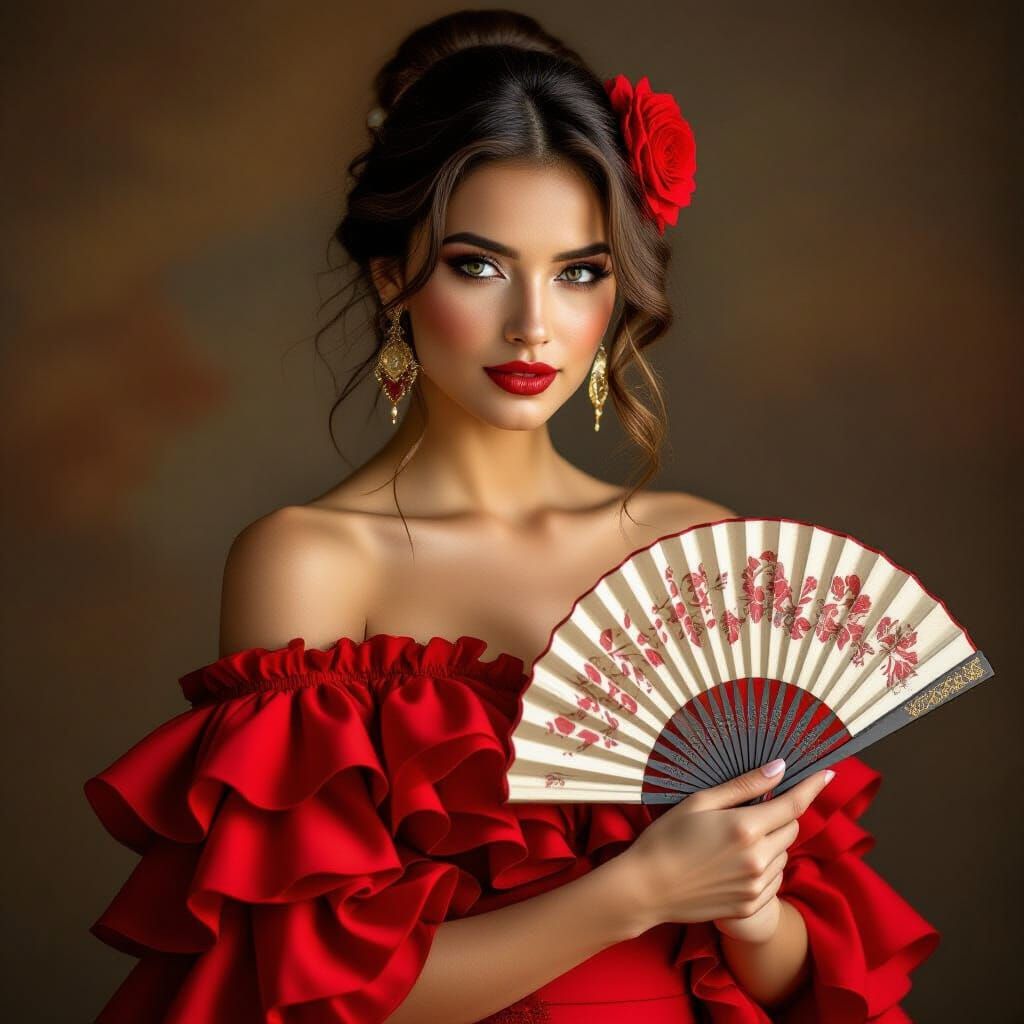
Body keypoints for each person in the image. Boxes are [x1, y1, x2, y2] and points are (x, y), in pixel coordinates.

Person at [83, 9, 940, 1022]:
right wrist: (636, 893)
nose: (534, 324)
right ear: (391, 275)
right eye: (478, 266)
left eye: (579, 271)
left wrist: (750, 910)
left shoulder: (691, 548)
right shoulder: (311, 563)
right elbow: (308, 987)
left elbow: (811, 985)